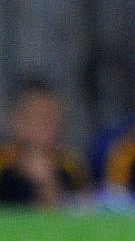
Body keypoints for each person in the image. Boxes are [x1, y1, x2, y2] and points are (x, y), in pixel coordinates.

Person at [0, 78, 89, 206]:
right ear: (16, 121)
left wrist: (47, 182)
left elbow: (83, 211)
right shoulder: (3, 164)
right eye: (42, 118)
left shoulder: (71, 165)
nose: (50, 127)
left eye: (55, 119)